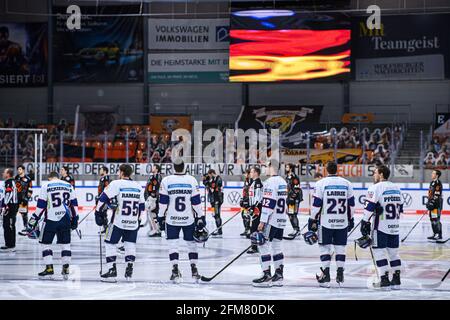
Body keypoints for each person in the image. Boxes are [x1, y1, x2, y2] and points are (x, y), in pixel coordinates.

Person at [307, 161, 355, 287]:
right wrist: (351, 219)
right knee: (340, 249)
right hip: (342, 222)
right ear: (336, 170)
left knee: (324, 248)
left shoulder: (320, 183)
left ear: (326, 170)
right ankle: (340, 273)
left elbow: (316, 204)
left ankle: (326, 275)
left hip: (325, 222)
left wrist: (312, 219)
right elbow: (351, 205)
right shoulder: (347, 183)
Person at [95, 164, 145, 282]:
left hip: (117, 221)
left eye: (119, 171)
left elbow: (102, 199)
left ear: (122, 172)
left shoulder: (116, 183)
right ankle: (129, 268)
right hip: (133, 221)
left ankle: (112, 270)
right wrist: (139, 220)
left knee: (109, 243)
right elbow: (142, 207)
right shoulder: (138, 186)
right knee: (130, 244)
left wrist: (98, 213)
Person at [158, 161, 206, 283]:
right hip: (188, 219)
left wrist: (160, 216)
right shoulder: (191, 180)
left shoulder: (166, 180)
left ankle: (175, 270)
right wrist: (201, 216)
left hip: (171, 219)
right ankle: (194, 269)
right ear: (184, 167)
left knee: (173, 244)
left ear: (173, 167)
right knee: (191, 244)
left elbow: (163, 202)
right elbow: (196, 202)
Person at [27, 171, 79, 279]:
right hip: (65, 219)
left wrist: (33, 221)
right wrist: (75, 219)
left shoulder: (46, 185)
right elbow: (74, 204)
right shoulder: (68, 185)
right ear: (58, 177)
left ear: (50, 178)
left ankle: (49, 268)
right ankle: (66, 268)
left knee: (45, 244)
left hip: (50, 219)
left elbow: (41, 206)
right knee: (65, 244)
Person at [360, 165, 403, 290]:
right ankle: (396, 279)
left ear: (382, 174)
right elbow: (400, 208)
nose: (374, 175)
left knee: (379, 252)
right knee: (394, 254)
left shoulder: (375, 187)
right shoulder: (397, 188)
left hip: (380, 227)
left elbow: (369, 208)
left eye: (375, 173)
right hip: (394, 226)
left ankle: (383, 279)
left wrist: (364, 221)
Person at [251, 161, 287, 287]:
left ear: (271, 167)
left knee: (263, 245)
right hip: (281, 219)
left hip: (271, 219)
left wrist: (262, 221)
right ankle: (278, 275)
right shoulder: (283, 181)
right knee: (277, 246)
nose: (264, 169)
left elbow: (269, 203)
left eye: (265, 166)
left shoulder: (270, 182)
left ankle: (266, 275)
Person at [246, 166, 263, 254]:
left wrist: (253, 207)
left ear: (256, 173)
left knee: (254, 227)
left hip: (257, 208)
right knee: (253, 227)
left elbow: (259, 197)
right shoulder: (253, 183)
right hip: (254, 207)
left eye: (252, 172)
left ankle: (255, 246)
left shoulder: (258, 183)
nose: (250, 174)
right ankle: (255, 245)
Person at [1, 168, 18, 252]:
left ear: (8, 174)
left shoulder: (10, 182)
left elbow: (9, 193)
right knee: (7, 224)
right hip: (10, 206)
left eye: (4, 172)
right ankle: (9, 243)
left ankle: (10, 244)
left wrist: (4, 204)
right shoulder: (9, 182)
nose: (2, 173)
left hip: (11, 206)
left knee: (9, 225)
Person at [144, 165, 163, 237]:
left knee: (153, 214)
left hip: (154, 199)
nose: (152, 168)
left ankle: (156, 230)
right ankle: (155, 229)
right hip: (152, 198)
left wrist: (153, 196)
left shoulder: (157, 176)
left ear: (157, 169)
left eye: (154, 167)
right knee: (152, 214)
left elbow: (155, 187)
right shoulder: (154, 176)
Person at [285, 163, 303, 238]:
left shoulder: (294, 177)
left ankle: (296, 230)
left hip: (294, 199)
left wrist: (292, 197)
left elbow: (297, 188)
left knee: (293, 214)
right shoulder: (288, 177)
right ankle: (295, 229)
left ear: (291, 168)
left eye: (287, 167)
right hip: (290, 198)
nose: (286, 168)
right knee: (290, 214)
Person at [15, 165, 33, 236]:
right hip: (16, 198)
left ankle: (26, 227)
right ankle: (12, 225)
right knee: (14, 212)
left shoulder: (28, 178)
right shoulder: (16, 177)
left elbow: (30, 189)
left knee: (23, 214)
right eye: (18, 169)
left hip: (23, 199)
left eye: (20, 169)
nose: (18, 171)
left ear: (23, 170)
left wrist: (27, 198)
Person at [205, 169, 224, 237]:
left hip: (217, 199)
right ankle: (219, 229)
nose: (209, 176)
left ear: (212, 173)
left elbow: (214, 187)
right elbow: (209, 188)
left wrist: (208, 183)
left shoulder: (218, 178)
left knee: (217, 214)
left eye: (209, 175)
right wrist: (206, 182)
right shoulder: (212, 179)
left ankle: (219, 230)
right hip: (213, 200)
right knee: (214, 215)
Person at [426, 170, 443, 241]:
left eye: (433, 173)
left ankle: (439, 234)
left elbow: (437, 194)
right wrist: (428, 201)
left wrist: (432, 202)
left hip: (436, 205)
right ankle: (435, 233)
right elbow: (430, 193)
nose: (431, 174)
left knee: (436, 219)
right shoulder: (432, 182)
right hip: (432, 204)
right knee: (432, 219)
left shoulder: (438, 183)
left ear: (437, 175)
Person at [96, 166, 111, 233]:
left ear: (104, 171)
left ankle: (106, 228)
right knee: (102, 213)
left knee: (103, 212)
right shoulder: (102, 178)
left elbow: (107, 188)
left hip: (104, 199)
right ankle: (105, 227)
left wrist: (102, 196)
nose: (100, 171)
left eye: (101, 169)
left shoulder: (106, 178)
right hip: (101, 198)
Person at [239, 169, 252, 238]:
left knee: (247, 216)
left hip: (248, 202)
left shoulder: (251, 181)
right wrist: (242, 199)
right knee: (243, 215)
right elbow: (245, 191)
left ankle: (249, 230)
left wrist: (246, 200)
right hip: (245, 201)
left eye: (246, 174)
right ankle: (246, 229)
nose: (245, 175)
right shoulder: (246, 181)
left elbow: (250, 193)